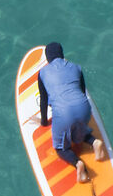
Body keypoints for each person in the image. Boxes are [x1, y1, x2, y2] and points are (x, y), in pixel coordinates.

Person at [32, 43, 107, 180]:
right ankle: (94, 142)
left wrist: (43, 122)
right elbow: (82, 92)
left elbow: (43, 100)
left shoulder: (43, 73)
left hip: (63, 113)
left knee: (61, 148)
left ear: (48, 58)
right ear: (62, 54)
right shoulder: (76, 67)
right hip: (84, 107)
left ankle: (78, 163)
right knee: (76, 130)